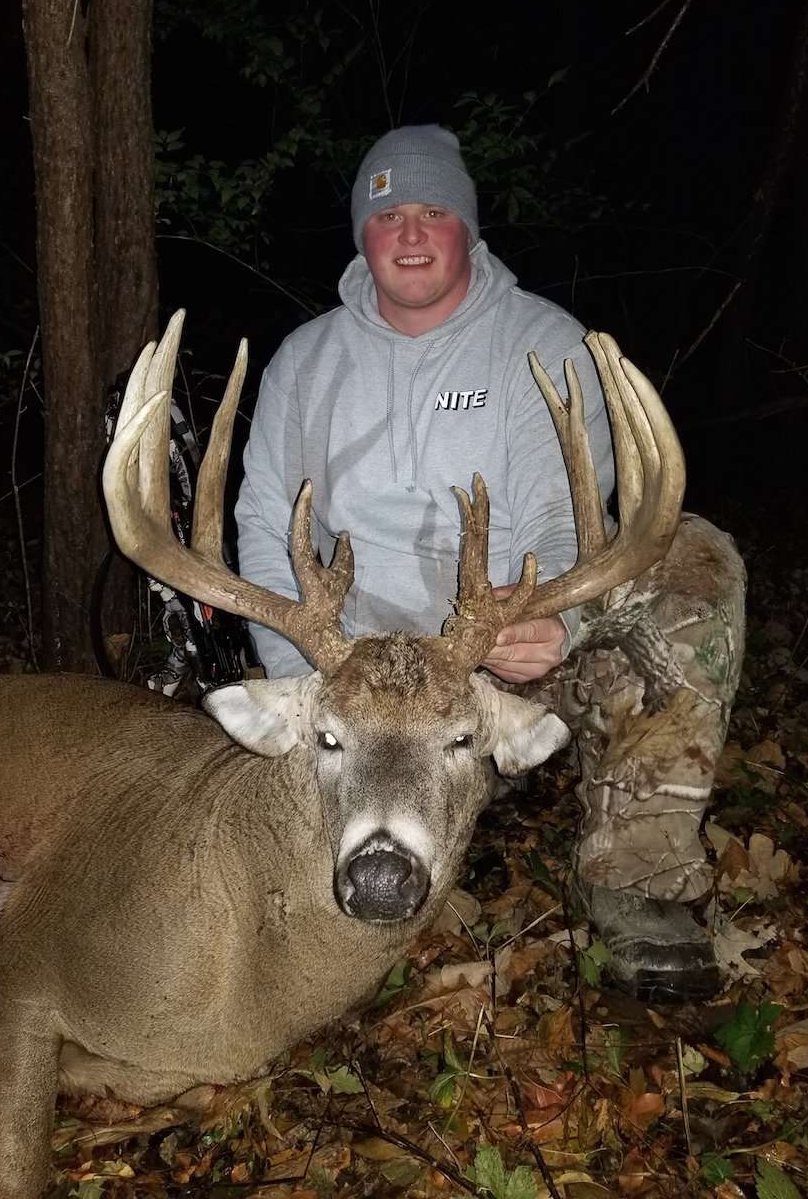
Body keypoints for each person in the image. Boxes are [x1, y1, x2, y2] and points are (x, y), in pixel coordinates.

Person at [235, 125, 745, 1003]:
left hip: (504, 655)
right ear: (362, 234)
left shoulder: (544, 343)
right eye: (388, 214)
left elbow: (563, 510)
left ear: (467, 229)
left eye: (434, 212)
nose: (410, 233)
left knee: (693, 557)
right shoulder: (303, 361)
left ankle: (639, 877)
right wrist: (303, 680)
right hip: (360, 681)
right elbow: (260, 519)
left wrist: (557, 621)